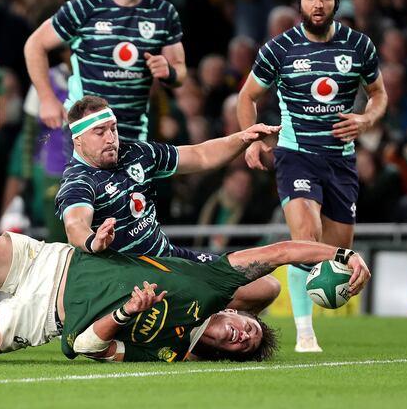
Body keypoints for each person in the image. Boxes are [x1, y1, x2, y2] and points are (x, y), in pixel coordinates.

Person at [0, 230, 370, 365]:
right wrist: (337, 255)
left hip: (41, 316)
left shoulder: (166, 353)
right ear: (237, 313)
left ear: (219, 353)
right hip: (53, 259)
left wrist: (123, 316)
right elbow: (276, 253)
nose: (245, 335)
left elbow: (84, 348)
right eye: (251, 329)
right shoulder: (218, 281)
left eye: (243, 348)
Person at [236, 0, 387, 353]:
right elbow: (247, 97)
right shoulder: (279, 48)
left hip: (340, 161)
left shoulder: (359, 46)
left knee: (337, 253)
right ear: (299, 2)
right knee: (306, 239)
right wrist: (251, 141)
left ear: (336, 1)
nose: (317, 4)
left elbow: (379, 94)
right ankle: (305, 334)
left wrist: (366, 119)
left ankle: (316, 315)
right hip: (296, 155)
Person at [56, 96, 280, 312]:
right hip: (132, 283)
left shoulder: (137, 153)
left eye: (113, 128)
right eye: (100, 132)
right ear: (78, 139)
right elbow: (75, 223)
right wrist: (93, 241)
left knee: (265, 288)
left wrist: (243, 137)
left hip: (168, 258)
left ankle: (208, 325)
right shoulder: (79, 180)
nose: (110, 138)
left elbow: (200, 155)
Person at [24, 0, 186, 145]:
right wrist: (46, 99)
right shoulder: (84, 9)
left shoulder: (163, 12)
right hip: (86, 128)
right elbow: (34, 45)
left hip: (133, 132)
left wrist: (169, 72)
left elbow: (179, 69)